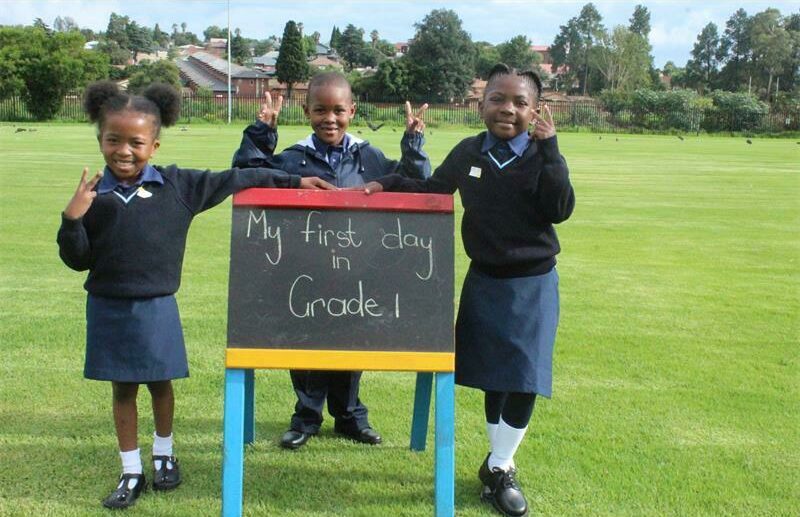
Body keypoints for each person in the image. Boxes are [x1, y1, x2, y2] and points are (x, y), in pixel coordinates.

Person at [57, 81, 333, 510]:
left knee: (160, 385)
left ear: (155, 143)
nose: (124, 151)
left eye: (136, 142)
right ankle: (131, 469)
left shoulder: (178, 186)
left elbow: (238, 177)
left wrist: (294, 178)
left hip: (157, 308)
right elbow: (77, 260)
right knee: (123, 390)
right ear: (100, 140)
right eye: (113, 140)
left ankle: (164, 454)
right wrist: (72, 220)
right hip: (108, 308)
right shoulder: (92, 196)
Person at [355, 64, 575, 517]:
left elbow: (560, 209)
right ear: (481, 104)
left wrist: (551, 150)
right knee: (496, 375)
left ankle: (500, 464)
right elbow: (432, 191)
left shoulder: (541, 155)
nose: (507, 109)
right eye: (497, 99)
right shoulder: (469, 152)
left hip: (532, 282)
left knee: (524, 377)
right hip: (485, 279)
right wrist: (389, 182)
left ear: (535, 111)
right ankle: (498, 470)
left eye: (519, 102)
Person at [232, 71, 431, 449]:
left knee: (349, 344)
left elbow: (417, 182)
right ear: (306, 111)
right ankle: (306, 417)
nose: (330, 118)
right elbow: (245, 176)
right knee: (304, 345)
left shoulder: (368, 156)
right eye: (320, 110)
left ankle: (349, 416)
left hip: (357, 271)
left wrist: (414, 143)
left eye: (338, 110)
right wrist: (262, 134)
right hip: (300, 272)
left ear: (352, 111)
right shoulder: (292, 159)